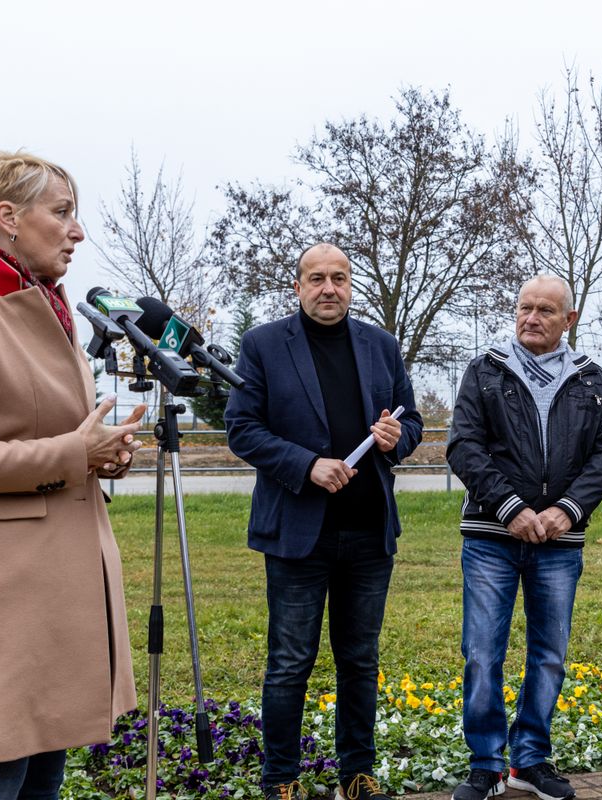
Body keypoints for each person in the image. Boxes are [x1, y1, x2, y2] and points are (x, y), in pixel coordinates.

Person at [0, 150, 147, 800]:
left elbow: (63, 438)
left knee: (44, 780)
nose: (77, 231)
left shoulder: (54, 311)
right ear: (8, 217)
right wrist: (76, 451)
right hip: (6, 600)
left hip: (60, 592)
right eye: (63, 212)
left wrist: (105, 453)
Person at [224, 243, 423, 800]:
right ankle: (280, 779)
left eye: (339, 277)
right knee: (290, 662)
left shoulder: (381, 346)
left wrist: (395, 438)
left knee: (360, 660)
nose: (328, 288)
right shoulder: (263, 344)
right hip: (297, 534)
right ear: (298, 286)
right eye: (316, 278)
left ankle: (357, 775)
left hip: (368, 532)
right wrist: (307, 465)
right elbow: (242, 427)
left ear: (350, 284)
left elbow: (411, 424)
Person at [446, 275, 602, 800]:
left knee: (549, 653)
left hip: (559, 542)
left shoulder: (592, 379)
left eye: (546, 310)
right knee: (482, 651)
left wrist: (566, 512)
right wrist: (512, 509)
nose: (531, 318)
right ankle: (486, 763)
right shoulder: (484, 372)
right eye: (525, 308)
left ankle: (530, 761)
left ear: (568, 320)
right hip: (491, 536)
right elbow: (464, 447)